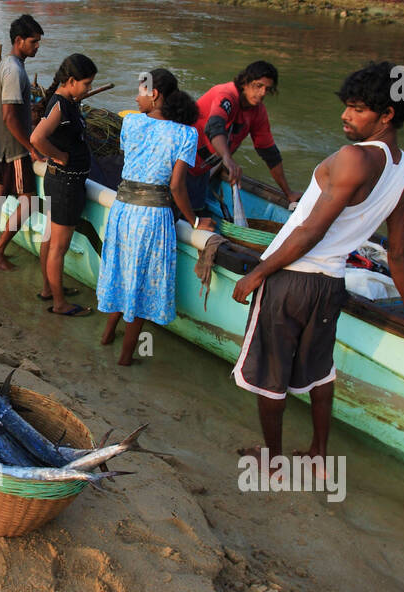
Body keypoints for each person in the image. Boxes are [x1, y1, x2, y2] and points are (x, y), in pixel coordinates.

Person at [230, 61, 404, 469]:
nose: (345, 115)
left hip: (291, 280)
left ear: (387, 114)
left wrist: (258, 271)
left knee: (271, 376)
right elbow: (398, 252)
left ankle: (272, 461)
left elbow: (310, 231)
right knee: (319, 371)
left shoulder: (354, 157)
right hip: (330, 285)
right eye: (347, 105)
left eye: (358, 108)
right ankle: (319, 456)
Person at [98, 78, 214, 364]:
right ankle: (126, 356)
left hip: (123, 209)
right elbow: (176, 187)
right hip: (152, 217)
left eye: (141, 91)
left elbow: (130, 161)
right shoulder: (186, 134)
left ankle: (107, 335)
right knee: (141, 284)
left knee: (123, 273)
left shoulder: (132, 123)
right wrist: (196, 221)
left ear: (155, 93)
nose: (137, 97)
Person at [30, 53, 96, 316]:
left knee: (50, 238)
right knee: (59, 246)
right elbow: (37, 137)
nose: (89, 89)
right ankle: (59, 304)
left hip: (61, 182)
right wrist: (60, 156)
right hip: (66, 184)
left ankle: (49, 288)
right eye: (87, 84)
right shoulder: (59, 105)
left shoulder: (66, 101)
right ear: (70, 80)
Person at [191, 61, 301, 212]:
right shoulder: (226, 95)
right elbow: (214, 127)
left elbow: (269, 153)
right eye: (258, 86)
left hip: (203, 169)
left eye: (267, 89)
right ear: (245, 82)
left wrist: (288, 193)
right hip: (180, 161)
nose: (262, 93)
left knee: (196, 209)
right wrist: (227, 158)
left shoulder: (258, 112)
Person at [0, 13, 43, 271]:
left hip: (0, 144)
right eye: (33, 42)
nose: (37, 47)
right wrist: (30, 148)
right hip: (15, 149)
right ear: (19, 41)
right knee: (29, 201)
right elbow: (9, 115)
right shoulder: (14, 71)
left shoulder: (3, 65)